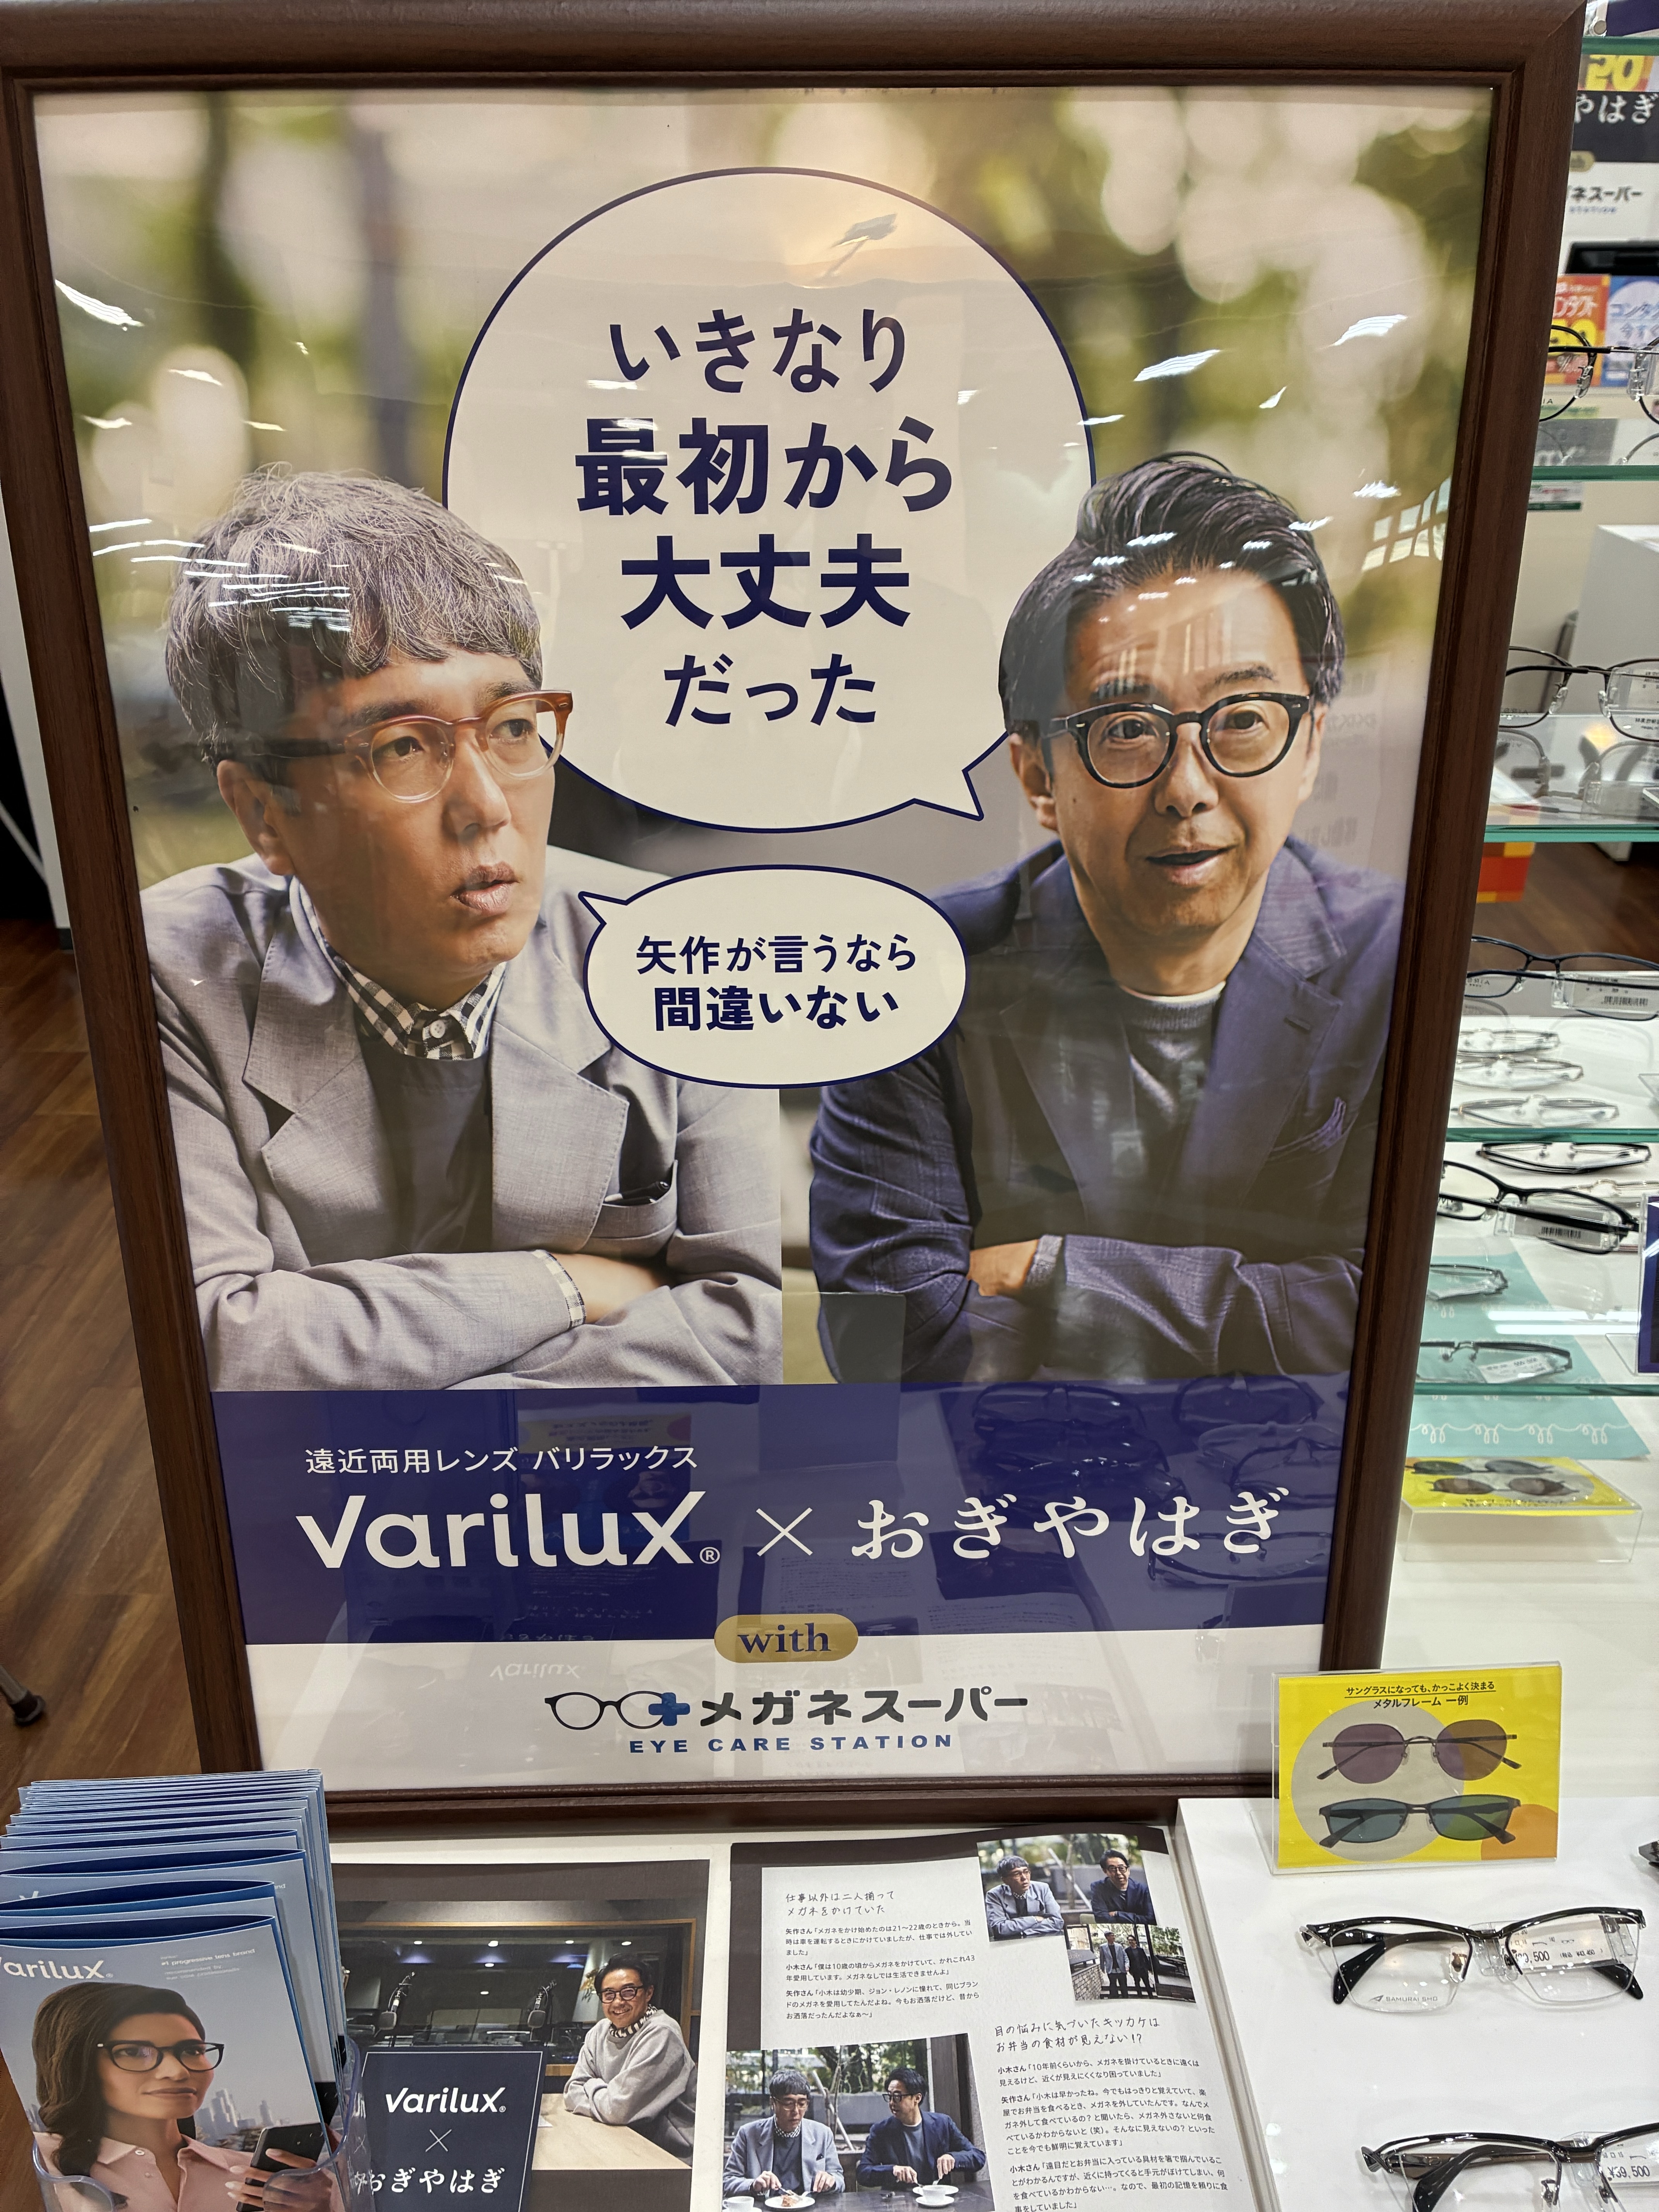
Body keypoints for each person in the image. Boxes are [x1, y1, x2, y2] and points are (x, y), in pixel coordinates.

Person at [147, 469, 780, 1391]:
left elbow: (749, 1327)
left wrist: (430, 1429)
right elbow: (216, 1342)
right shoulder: (171, 972)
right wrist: (565, 1286)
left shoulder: (679, 950)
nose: (486, 805)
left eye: (513, 727)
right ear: (264, 814)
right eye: (402, 746)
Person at [810, 453, 1402, 1383]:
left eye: (1243, 718)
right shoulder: (914, 979)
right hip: (1005, 1467)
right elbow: (887, 1343)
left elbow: (1407, 1314)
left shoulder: (1399, 960)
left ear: (1311, 747)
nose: (1188, 789)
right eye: (1126, 729)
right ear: (1037, 776)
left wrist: (1054, 1272)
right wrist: (1277, 1313)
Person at [31, 1981, 330, 2209]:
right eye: (134, 2052)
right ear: (77, 2064)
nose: (176, 2072)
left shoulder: (257, 2175)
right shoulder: (39, 2158)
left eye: (192, 2050)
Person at [564, 1957, 696, 2157]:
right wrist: (609, 2098)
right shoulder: (599, 2032)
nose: (618, 2002)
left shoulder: (662, 2033)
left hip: (669, 2155)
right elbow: (572, 2092)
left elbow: (618, 2110)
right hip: (619, 2141)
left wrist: (591, 2085)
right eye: (609, 1994)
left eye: (628, 1992)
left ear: (648, 1993)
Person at [857, 2068, 986, 2190]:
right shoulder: (881, 2131)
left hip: (938, 2199)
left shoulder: (942, 2124)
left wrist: (953, 2158)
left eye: (897, 2097)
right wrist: (893, 2170)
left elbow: (978, 2157)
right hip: (899, 2201)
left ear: (917, 2099)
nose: (891, 2103)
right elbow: (863, 2173)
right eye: (890, 2097)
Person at [723, 2069, 843, 2196]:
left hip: (809, 2204)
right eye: (788, 2104)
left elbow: (839, 2179)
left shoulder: (823, 2134)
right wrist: (753, 2185)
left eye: (802, 2104)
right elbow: (727, 2182)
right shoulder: (748, 2134)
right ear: (773, 2103)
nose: (796, 2111)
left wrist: (832, 2181)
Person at [982, 1853, 1066, 1939]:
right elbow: (999, 1929)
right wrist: (1034, 1920)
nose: (1024, 1878)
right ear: (1005, 1880)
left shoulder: (1042, 1889)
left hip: (1042, 1941)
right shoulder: (995, 1895)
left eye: (1026, 1872)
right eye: (1017, 1874)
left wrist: (1023, 1932)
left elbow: (1057, 1922)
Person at [1089, 1848, 1157, 1927]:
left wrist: (1118, 1914)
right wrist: (1136, 1918)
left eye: (1122, 1868)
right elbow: (1102, 1919)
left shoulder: (1143, 1889)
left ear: (1128, 1870)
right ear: (1105, 1871)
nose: (1118, 1873)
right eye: (1113, 1869)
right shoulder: (1098, 1888)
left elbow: (1150, 1920)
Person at [1097, 1928, 1129, 1999]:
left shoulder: (1119, 1946)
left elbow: (1125, 1956)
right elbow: (1102, 1958)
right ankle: (1115, 1999)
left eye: (1114, 1936)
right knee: (1113, 1986)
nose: (1114, 1937)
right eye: (1112, 1936)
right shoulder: (1103, 1947)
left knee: (1124, 1985)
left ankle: (1126, 1998)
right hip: (1111, 1970)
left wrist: (1127, 1965)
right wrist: (1102, 1968)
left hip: (1121, 1969)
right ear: (1107, 1937)